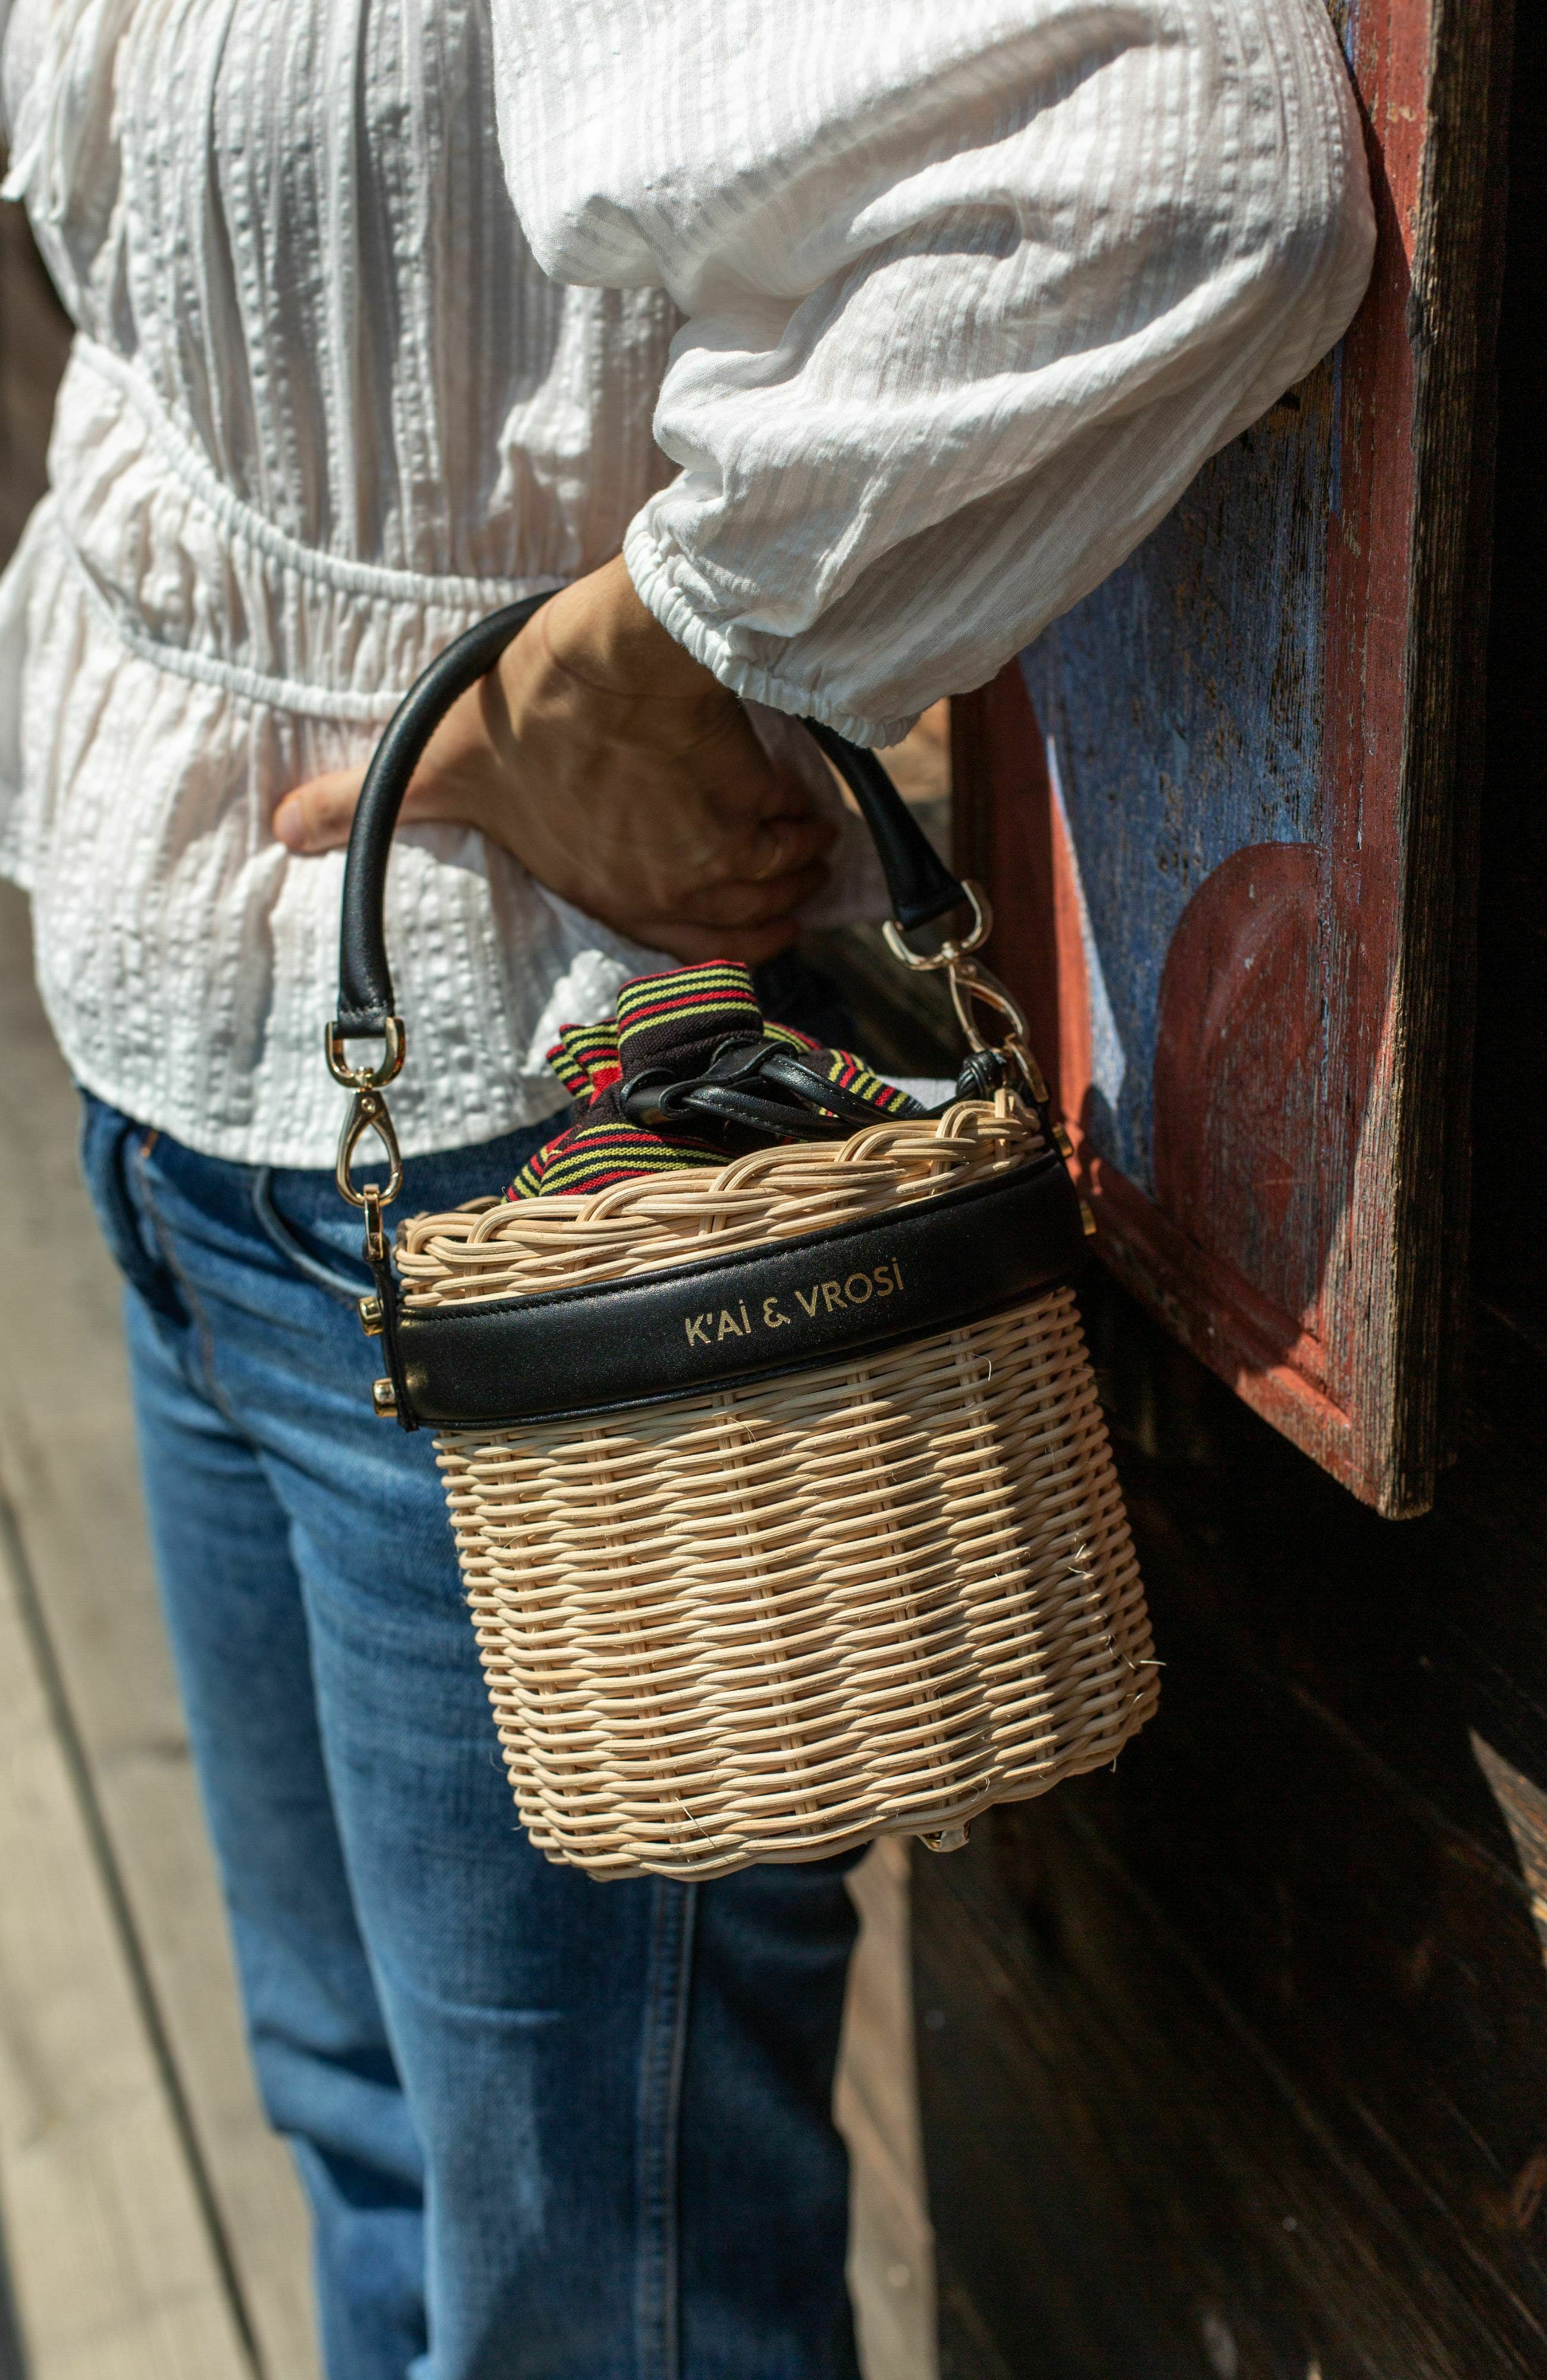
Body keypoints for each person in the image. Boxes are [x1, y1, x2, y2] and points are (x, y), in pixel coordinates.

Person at [0, 3, 1373, 2373]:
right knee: (373, 2150)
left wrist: (652, 651)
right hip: (191, 1098)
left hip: (540, 1170)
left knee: (588, 2299)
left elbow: (1176, 165)